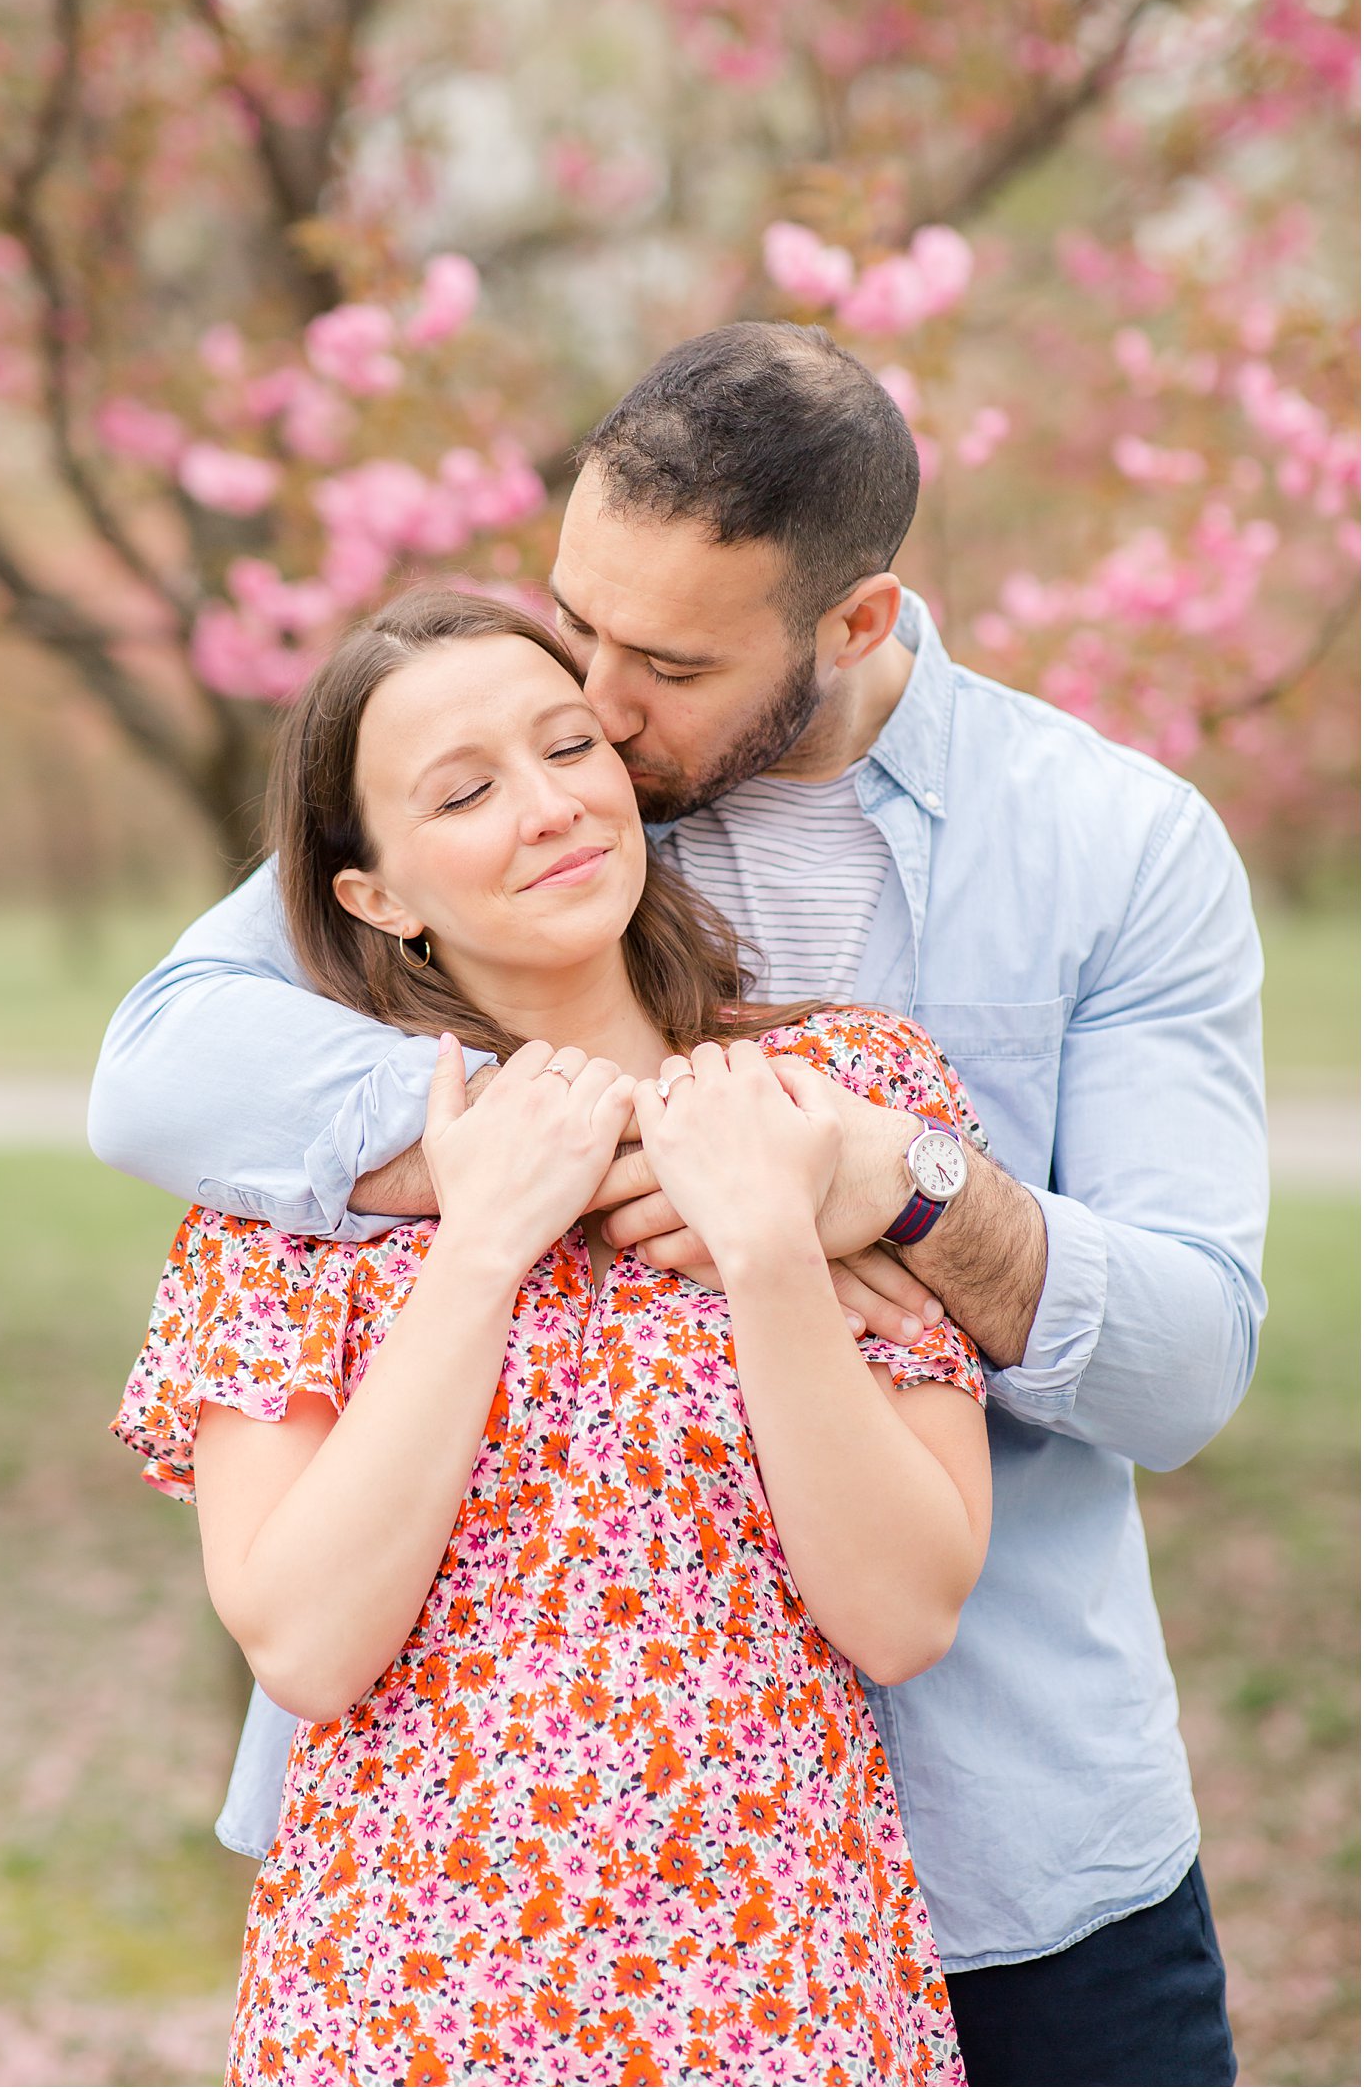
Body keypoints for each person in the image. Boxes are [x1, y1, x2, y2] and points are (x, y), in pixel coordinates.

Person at [91, 322, 1267, 2088]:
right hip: (454, 1932)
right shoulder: (528, 782)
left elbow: (1180, 1365)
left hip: (1005, 1873)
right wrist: (579, 1151)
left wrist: (899, 1187)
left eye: (658, 666)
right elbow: (164, 1066)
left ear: (855, 623)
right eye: (581, 627)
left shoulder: (1119, 847)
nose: (601, 714)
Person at [111, 588, 994, 2085]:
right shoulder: (292, 1200)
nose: (549, 808)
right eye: (463, 791)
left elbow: (905, 1614)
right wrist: (482, 1241)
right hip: (407, 2002)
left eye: (569, 745)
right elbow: (309, 1644)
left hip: (777, 1992)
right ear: (375, 895)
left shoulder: (843, 1098)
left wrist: (772, 1248)